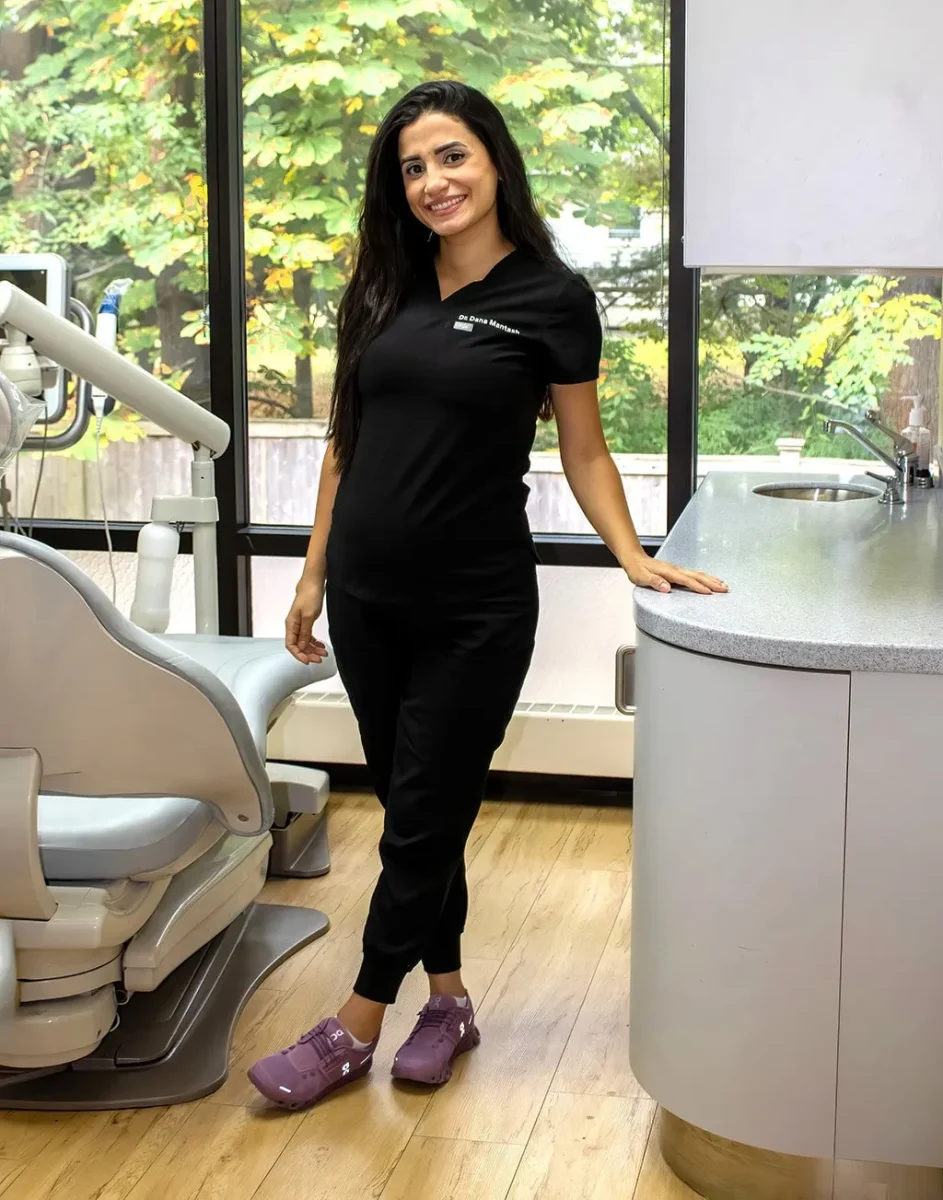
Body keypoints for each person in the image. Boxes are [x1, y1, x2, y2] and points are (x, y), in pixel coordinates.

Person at [248, 80, 726, 1111]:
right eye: (413, 167)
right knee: (424, 808)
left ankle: (354, 1025)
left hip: (477, 606)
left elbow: (585, 450)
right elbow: (346, 444)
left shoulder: (552, 299)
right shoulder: (382, 286)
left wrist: (631, 556)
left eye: (450, 157)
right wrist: (311, 575)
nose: (432, 182)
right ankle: (450, 999)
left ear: (495, 161)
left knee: (421, 816)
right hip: (370, 599)